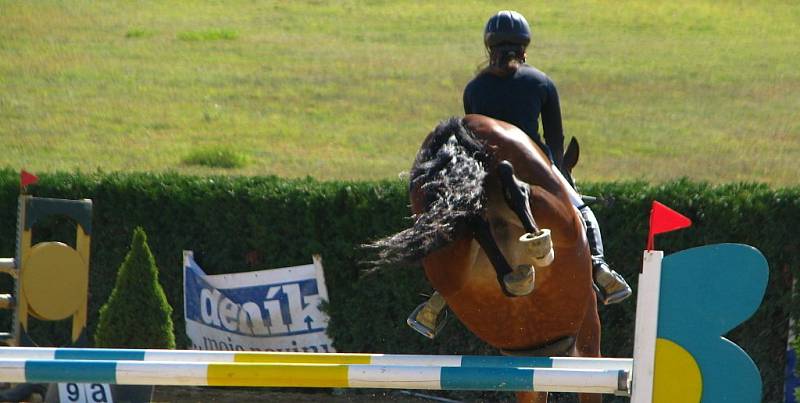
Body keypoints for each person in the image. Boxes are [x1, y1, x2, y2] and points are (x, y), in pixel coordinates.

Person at [408, 10, 631, 338]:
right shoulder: (540, 82)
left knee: (459, 228)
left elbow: (475, 137)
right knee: (584, 213)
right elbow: (554, 143)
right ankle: (600, 268)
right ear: (525, 47)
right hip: (532, 168)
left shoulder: (474, 88)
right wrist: (563, 178)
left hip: (484, 175)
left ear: (489, 47)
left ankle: (439, 300)